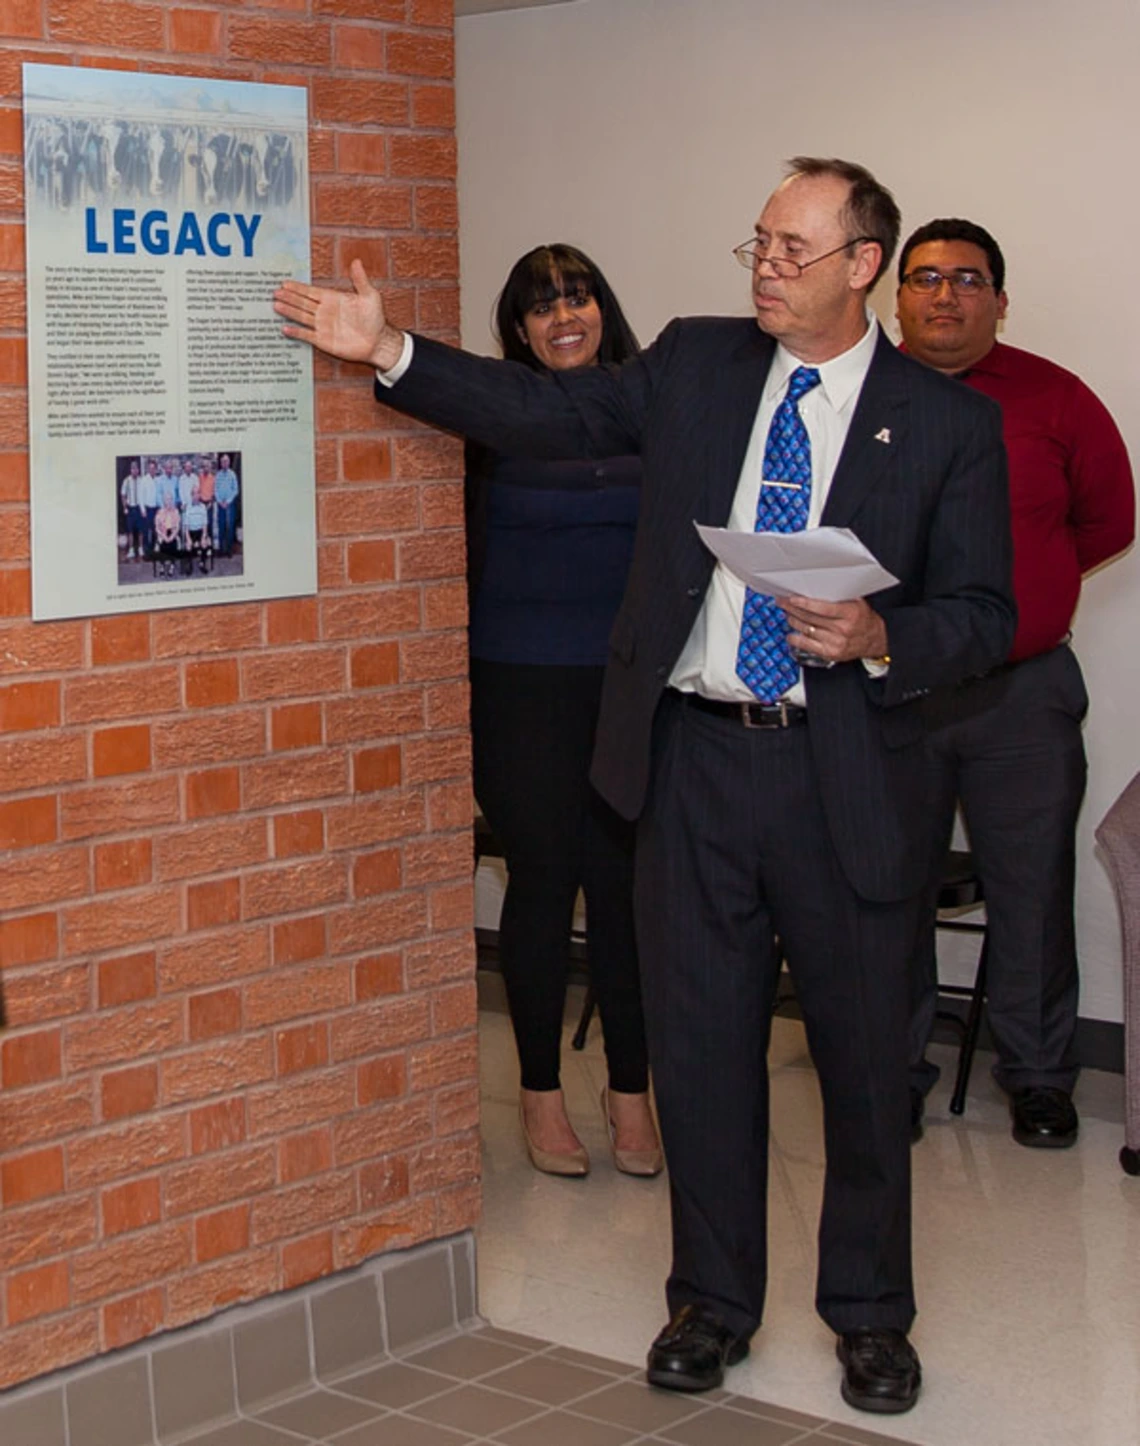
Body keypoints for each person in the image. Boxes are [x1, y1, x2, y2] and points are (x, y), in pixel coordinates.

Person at [275, 157, 1016, 1416]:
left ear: (862, 265)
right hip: (696, 763)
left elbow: (987, 613)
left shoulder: (945, 423)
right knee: (707, 1047)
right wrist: (393, 351)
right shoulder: (697, 362)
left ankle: (872, 1318)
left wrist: (885, 637)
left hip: (848, 767)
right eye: (759, 246)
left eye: (792, 249)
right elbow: (549, 414)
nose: (767, 269)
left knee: (854, 1060)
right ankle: (712, 1303)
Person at [895, 219, 1135, 1148]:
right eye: (926, 278)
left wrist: (1022, 598)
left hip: (1021, 693)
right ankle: (894, 1071)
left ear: (1000, 298)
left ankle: (1037, 1076)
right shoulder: (862, 391)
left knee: (1030, 892)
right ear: (896, 295)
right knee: (889, 889)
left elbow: (1107, 522)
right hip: (894, 691)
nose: (945, 296)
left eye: (967, 279)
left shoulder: (1056, 398)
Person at [466, 244, 661, 1178]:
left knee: (628, 897)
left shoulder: (650, 407)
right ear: (516, 329)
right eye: (540, 307)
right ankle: (540, 1100)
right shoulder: (489, 421)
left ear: (602, 308)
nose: (562, 317)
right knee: (543, 885)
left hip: (629, 691)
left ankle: (635, 1099)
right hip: (518, 690)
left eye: (577, 297)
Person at [215, 454, 240, 555]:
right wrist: (220, 501)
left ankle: (229, 550)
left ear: (229, 463)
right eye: (222, 462)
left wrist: (228, 501)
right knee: (221, 526)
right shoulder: (218, 475)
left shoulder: (232, 474)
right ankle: (221, 549)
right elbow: (215, 490)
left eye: (226, 461)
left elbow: (236, 490)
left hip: (230, 505)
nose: (224, 463)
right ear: (220, 463)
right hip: (220, 505)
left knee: (230, 527)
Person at [120, 458, 143, 560]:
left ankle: (141, 548)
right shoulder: (126, 481)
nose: (135, 470)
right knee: (130, 531)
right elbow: (123, 495)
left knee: (140, 530)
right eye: (133, 468)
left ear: (138, 470)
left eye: (136, 468)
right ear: (130, 470)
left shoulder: (141, 480)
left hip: (139, 508)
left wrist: (143, 509)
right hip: (130, 508)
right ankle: (131, 550)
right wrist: (125, 507)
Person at [154, 490, 181, 576]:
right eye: (166, 499)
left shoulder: (176, 511)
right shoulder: (160, 512)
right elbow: (157, 527)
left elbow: (177, 526)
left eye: (170, 499)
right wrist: (164, 536)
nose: (168, 501)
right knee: (162, 543)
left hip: (173, 533)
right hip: (163, 533)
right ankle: (162, 565)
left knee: (173, 543)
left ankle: (172, 566)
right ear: (164, 501)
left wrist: (172, 536)